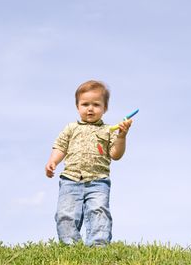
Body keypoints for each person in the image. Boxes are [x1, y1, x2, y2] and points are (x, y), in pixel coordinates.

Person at [45, 80, 132, 246]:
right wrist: (53, 161)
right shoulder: (71, 128)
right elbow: (60, 146)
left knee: (99, 212)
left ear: (105, 108)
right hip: (70, 180)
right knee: (65, 214)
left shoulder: (108, 131)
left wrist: (121, 136)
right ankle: (70, 246)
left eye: (96, 104)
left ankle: (98, 246)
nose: (90, 108)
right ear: (77, 107)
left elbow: (116, 154)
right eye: (85, 104)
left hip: (98, 181)